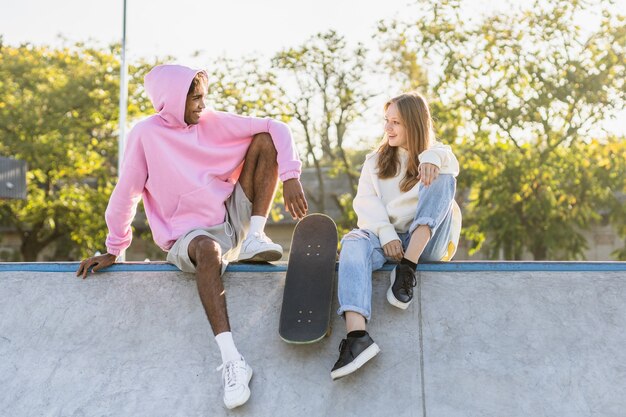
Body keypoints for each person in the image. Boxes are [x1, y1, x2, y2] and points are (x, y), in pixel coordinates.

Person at [76, 64, 308, 409]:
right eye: (195, 98)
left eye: (203, 97)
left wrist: (291, 175)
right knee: (207, 247)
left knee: (263, 139)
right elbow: (126, 193)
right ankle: (232, 360)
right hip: (189, 239)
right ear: (171, 100)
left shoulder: (213, 122)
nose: (202, 104)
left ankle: (256, 237)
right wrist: (114, 248)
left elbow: (277, 127)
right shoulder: (146, 135)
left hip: (230, 218)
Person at [330, 92, 461, 380]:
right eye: (386, 121)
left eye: (396, 122)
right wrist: (386, 233)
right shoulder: (375, 162)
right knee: (352, 241)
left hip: (425, 243)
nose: (388, 128)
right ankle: (357, 337)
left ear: (414, 124)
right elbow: (365, 203)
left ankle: (406, 271)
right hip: (386, 238)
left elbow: (451, 163)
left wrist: (431, 158)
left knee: (443, 176)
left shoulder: (438, 156)